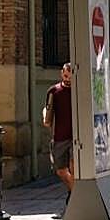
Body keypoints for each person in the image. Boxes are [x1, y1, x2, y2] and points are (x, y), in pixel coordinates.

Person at [43, 62, 74, 203]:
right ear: (62, 73)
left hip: (75, 136)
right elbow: (48, 109)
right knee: (60, 170)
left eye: (71, 77)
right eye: (66, 76)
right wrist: (46, 117)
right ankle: (73, 191)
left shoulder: (78, 91)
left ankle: (74, 197)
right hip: (59, 136)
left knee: (74, 167)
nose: (68, 79)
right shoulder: (54, 91)